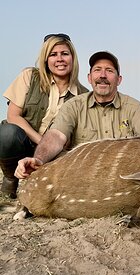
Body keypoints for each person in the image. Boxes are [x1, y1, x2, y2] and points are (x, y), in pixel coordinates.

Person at [15, 51, 140, 180]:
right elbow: (56, 136)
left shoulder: (135, 108)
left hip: (122, 177)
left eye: (109, 71)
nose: (102, 75)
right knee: (57, 160)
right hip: (83, 177)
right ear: (89, 78)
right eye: (97, 70)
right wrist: (39, 159)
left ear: (119, 79)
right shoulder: (74, 105)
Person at [0, 33, 89, 199]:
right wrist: (44, 142)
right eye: (53, 55)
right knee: (7, 133)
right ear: (46, 60)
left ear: (73, 58)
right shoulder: (29, 76)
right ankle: (11, 178)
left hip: (55, 154)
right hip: (24, 143)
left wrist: (49, 150)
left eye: (64, 54)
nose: (60, 59)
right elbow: (13, 116)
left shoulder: (83, 95)